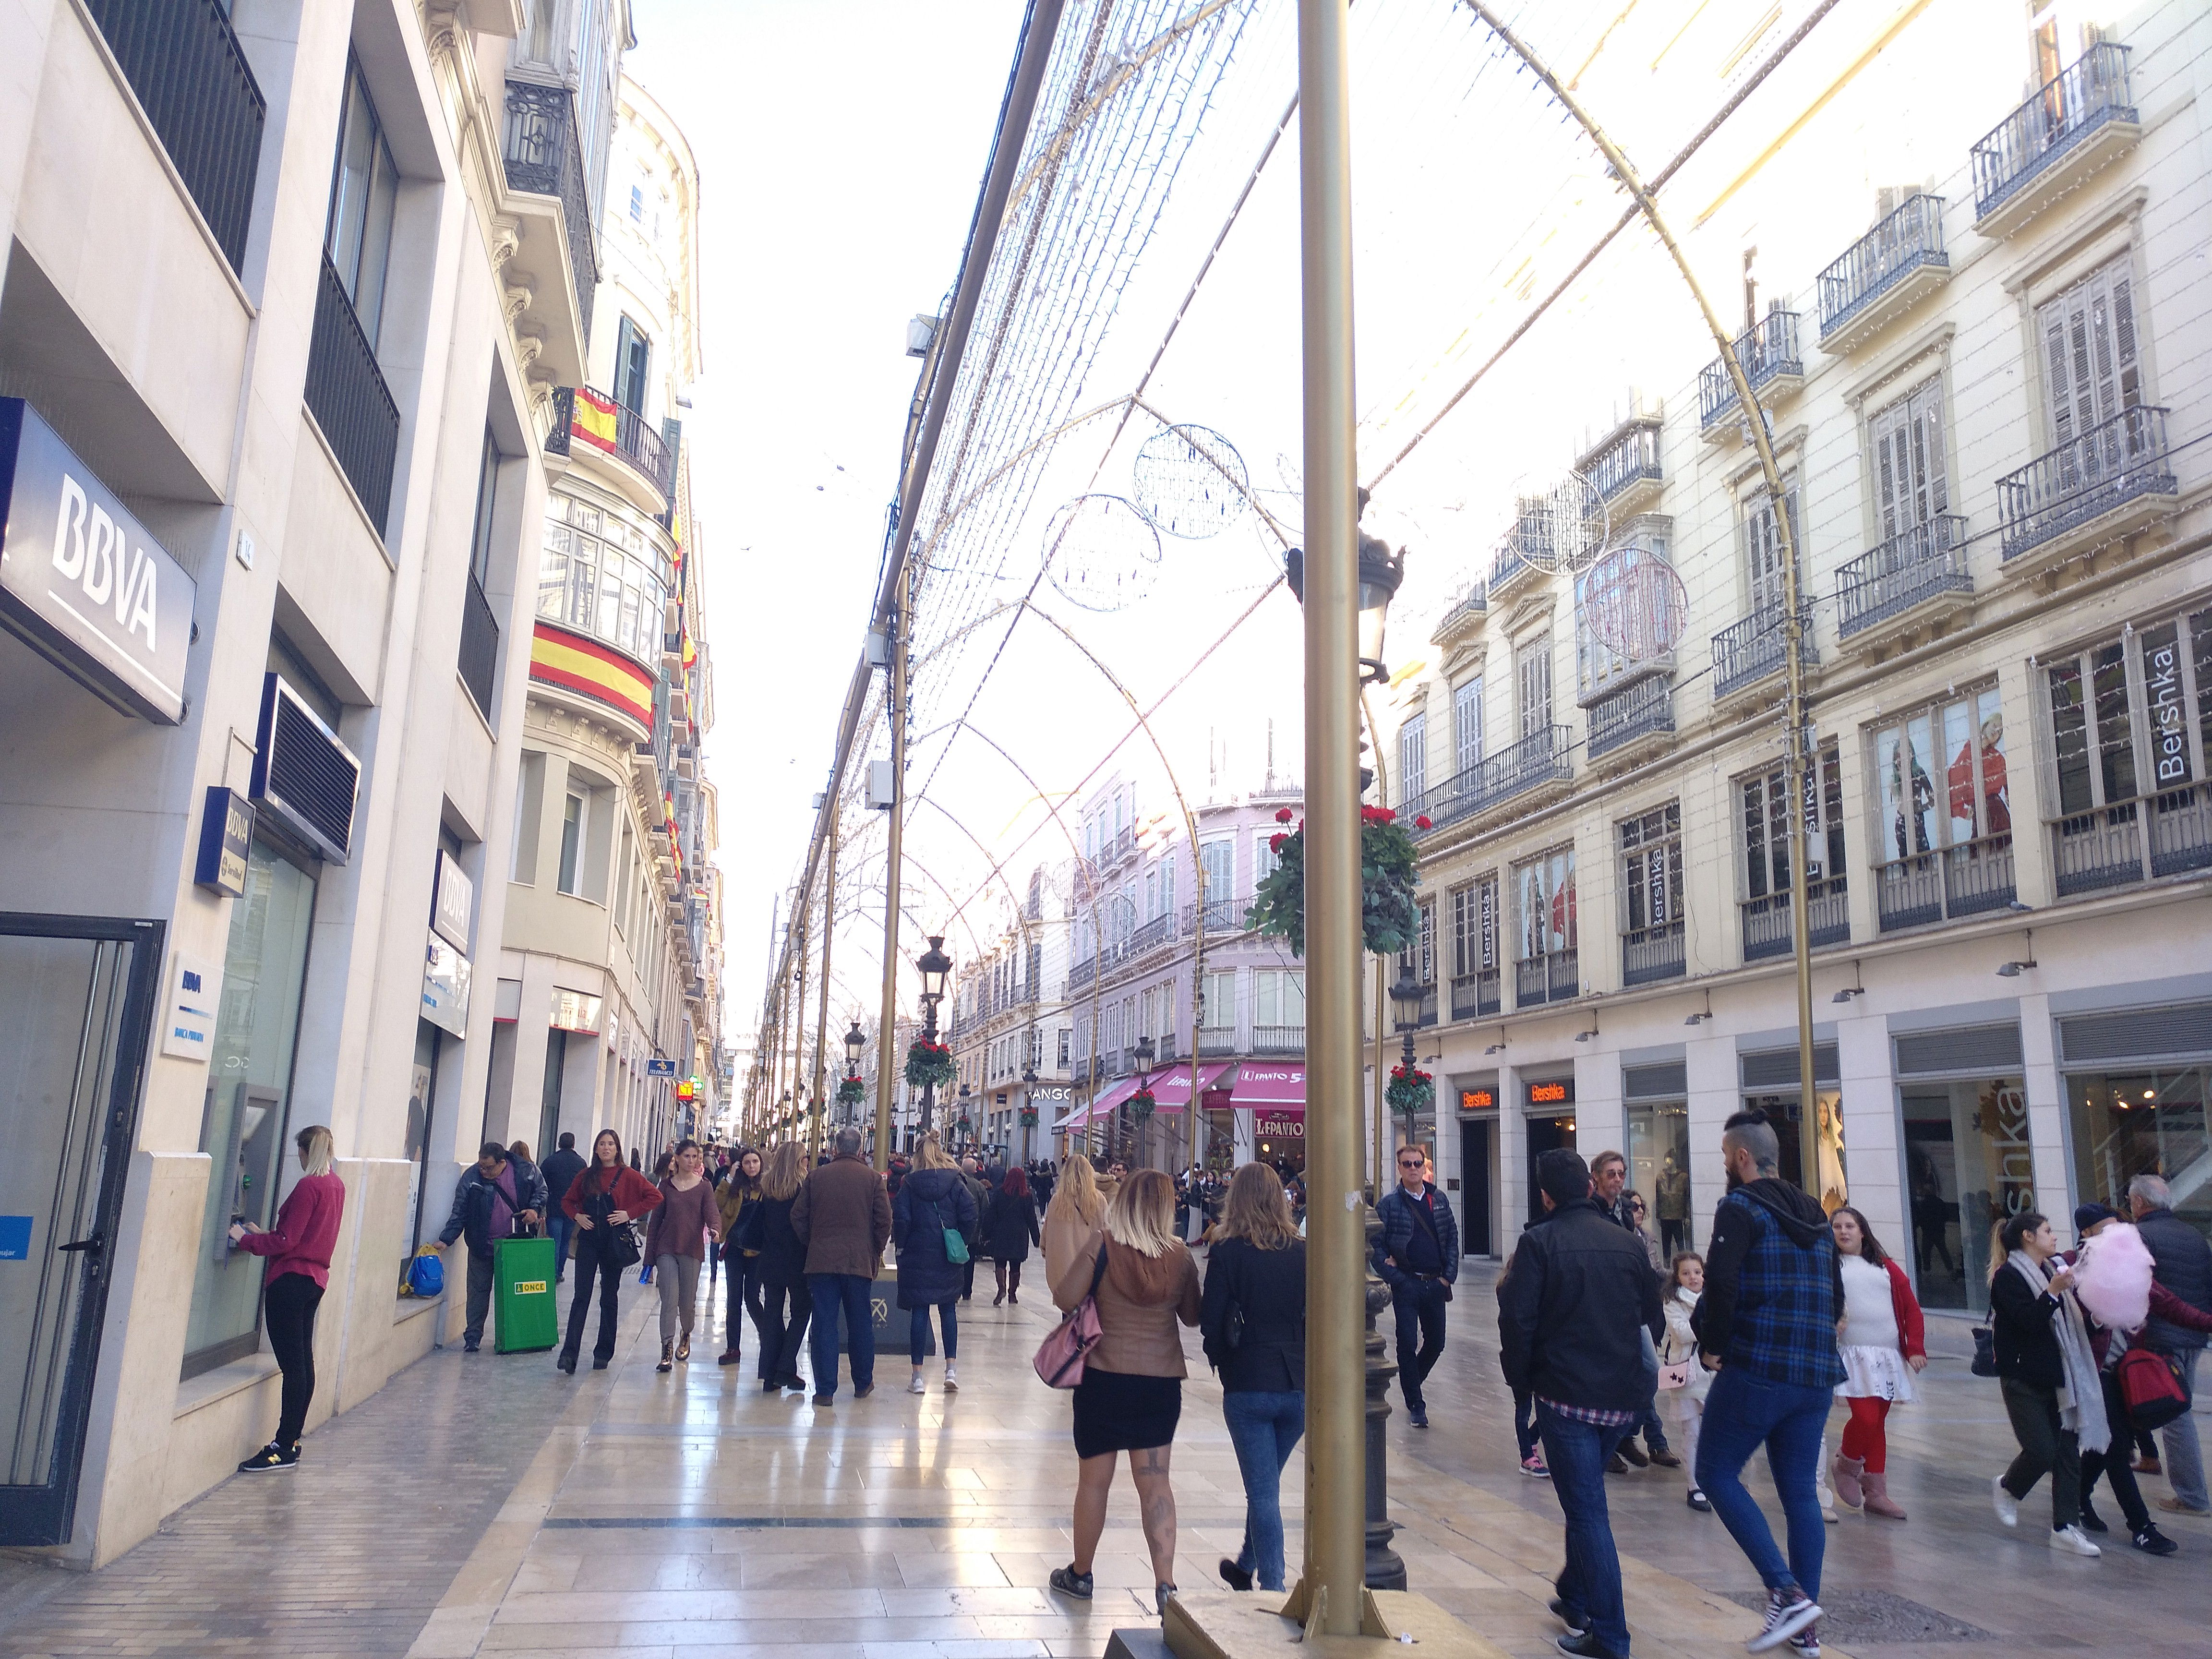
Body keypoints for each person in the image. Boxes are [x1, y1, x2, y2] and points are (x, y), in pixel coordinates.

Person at [1497, 1148, 1664, 1659]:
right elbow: (1651, 1321)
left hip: (1567, 1397)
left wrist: (1524, 1384)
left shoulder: (1539, 1243)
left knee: (1589, 1513)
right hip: (1622, 1397)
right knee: (1585, 1498)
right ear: (1590, 1189)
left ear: (1546, 1196)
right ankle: (1574, 1591)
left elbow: (1517, 1323)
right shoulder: (1628, 1244)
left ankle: (1610, 1635)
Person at [1693, 1112, 1841, 1654]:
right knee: (1800, 1491)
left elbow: (1723, 1281)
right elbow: (1837, 1295)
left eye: (1726, 1156)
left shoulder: (1740, 1207)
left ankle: (1787, 1591)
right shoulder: (1816, 1215)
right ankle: (1805, 1629)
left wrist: (1713, 1344)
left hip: (1759, 1365)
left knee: (1715, 1471)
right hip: (1816, 1371)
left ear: (1741, 1158)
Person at [1047, 1168, 1201, 1616]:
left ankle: (1081, 1573)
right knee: (1155, 1484)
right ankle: (1166, 1585)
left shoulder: (1104, 1245)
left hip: (1102, 1379)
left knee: (1094, 1482)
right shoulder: (1180, 1256)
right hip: (1159, 1385)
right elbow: (1192, 1317)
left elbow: (1064, 1297)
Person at [1201, 1164, 1306, 1594]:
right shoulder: (1303, 1251)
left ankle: (1274, 1587)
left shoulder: (1227, 1252)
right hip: (1297, 1386)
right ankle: (1246, 1563)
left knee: (1263, 1494)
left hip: (1248, 1385)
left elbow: (1211, 1321)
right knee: (1266, 1482)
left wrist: (1222, 1361)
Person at [2070, 1203, 2196, 1556]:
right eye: (2106, 1228)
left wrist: (2207, 1321)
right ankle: (2141, 1527)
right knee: (2117, 1447)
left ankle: (2078, 1496)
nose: (2117, 1234)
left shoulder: (2132, 1266)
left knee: (2111, 1445)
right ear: (2087, 1234)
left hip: (2128, 1373)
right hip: (2096, 1376)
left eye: (2118, 1226)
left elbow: (2170, 1304)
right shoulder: (2074, 1268)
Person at [1987, 1209, 2106, 1556]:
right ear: (2028, 1237)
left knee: (2069, 1453)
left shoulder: (2054, 1270)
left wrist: (2097, 1316)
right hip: (2023, 1377)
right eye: (2048, 1231)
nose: (2055, 1237)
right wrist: (2053, 1293)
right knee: (2041, 1450)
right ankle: (2009, 1487)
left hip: (2061, 1376)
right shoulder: (2008, 1277)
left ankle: (2065, 1528)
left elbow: (2071, 1323)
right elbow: (2028, 1321)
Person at [231, 1126, 345, 1472]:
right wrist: (268, 1235)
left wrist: (245, 1240)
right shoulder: (336, 1186)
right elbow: (304, 1236)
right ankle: (291, 1443)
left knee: (293, 1368)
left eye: (299, 1152)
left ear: (305, 1152)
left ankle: (281, 1447)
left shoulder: (309, 1186)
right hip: (315, 1282)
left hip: (289, 1282)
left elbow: (288, 1242)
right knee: (304, 1364)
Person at [1824, 1207, 1924, 1521]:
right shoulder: (1828, 1266)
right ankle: (1847, 1464)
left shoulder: (1885, 1267)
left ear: (1862, 1231)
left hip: (1887, 1356)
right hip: (1851, 1354)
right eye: (1837, 1227)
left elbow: (1911, 1307)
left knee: (1879, 1421)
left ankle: (1877, 1492)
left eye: (1850, 1226)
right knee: (1866, 1418)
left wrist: (1914, 1348)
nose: (1843, 1232)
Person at [2128, 1172, 2212, 1518]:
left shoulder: (2141, 1236)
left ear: (2139, 1203)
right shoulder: (2193, 1234)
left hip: (2162, 1337)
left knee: (2175, 1416)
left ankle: (2192, 1497)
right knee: (2180, 1410)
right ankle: (2156, 1464)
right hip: (2193, 1334)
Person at [792, 1126, 892, 1405]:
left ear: (835, 1149)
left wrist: (812, 1241)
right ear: (860, 1149)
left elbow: (798, 1216)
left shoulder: (817, 1177)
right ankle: (862, 1383)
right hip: (859, 1262)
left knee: (824, 1323)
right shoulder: (873, 1179)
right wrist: (875, 1249)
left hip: (822, 1261)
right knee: (860, 1321)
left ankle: (825, 1390)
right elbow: (885, 1221)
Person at [1590, 1152, 1677, 1473]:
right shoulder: (1592, 1212)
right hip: (1604, 1308)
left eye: (1621, 1174)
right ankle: (1611, 1442)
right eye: (1611, 1174)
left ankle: (1625, 1434)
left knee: (1651, 1373)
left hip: (1632, 1308)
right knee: (1613, 1378)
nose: (1616, 1179)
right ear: (1596, 1176)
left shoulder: (1625, 1213)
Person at [557, 1130, 663, 1372]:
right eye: (602, 1144)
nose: (606, 1148)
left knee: (609, 1296)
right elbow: (567, 1201)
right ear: (596, 1149)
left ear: (618, 1149)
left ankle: (603, 1352)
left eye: (611, 1144)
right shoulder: (585, 1175)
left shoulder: (629, 1175)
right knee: (581, 1296)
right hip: (589, 1240)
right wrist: (577, 1216)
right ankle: (569, 1354)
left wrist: (629, 1213)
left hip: (614, 1240)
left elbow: (655, 1196)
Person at [1373, 1141, 1459, 1430]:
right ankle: (1416, 1403)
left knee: (1436, 1342)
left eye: (1417, 1163)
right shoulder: (1389, 1205)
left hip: (1434, 1284)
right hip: (1407, 1286)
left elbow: (1451, 1239)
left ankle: (1413, 1383)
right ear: (1399, 1168)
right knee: (1407, 1342)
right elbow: (1376, 1245)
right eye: (1407, 1164)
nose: (1413, 1168)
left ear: (1425, 1167)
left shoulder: (1440, 1200)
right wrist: (1394, 1275)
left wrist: (1448, 1277)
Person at [433, 1141, 548, 1354]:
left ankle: (519, 1336)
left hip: (516, 1246)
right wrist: (446, 1239)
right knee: (477, 1293)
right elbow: (460, 1211)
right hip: (482, 1244)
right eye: (481, 1166)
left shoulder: (527, 1172)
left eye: (488, 1168)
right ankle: (473, 1337)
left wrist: (534, 1210)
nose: (483, 1171)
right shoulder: (471, 1178)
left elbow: (542, 1192)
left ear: (502, 1163)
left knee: (518, 1292)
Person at [894, 1136, 976, 1395]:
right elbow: (971, 1213)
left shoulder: (909, 1184)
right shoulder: (955, 1182)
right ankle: (951, 1369)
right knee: (948, 1310)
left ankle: (917, 1377)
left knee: (920, 1313)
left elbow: (903, 1220)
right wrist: (960, 1239)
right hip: (947, 1255)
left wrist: (902, 1246)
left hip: (918, 1255)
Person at [644, 1139, 719, 1373]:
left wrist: (715, 1229)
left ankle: (686, 1333)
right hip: (666, 1249)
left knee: (687, 1302)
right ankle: (666, 1347)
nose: (692, 1161)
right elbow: (655, 1223)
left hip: (692, 1249)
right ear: (676, 1158)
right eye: (687, 1156)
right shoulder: (666, 1186)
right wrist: (649, 1260)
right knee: (669, 1299)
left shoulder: (704, 1186)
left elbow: (712, 1213)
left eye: (695, 1157)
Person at [754, 1142, 813, 1393]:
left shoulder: (768, 1187)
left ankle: (769, 1374)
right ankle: (785, 1365)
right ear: (799, 1162)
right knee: (802, 1311)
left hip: (771, 1259)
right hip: (797, 1260)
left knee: (773, 1315)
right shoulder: (803, 1188)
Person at [1658, 1251, 1712, 1512]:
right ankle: (1695, 1486)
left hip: (1715, 1374)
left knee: (1715, 1431)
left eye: (1698, 1272)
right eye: (1686, 1273)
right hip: (1687, 1374)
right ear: (1677, 1278)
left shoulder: (1717, 1298)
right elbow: (1682, 1332)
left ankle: (1716, 1480)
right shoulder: (1673, 1301)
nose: (1693, 1278)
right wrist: (1713, 1325)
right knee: (1692, 1432)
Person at [716, 1147, 764, 1367]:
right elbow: (716, 1205)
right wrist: (729, 1179)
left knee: (752, 1298)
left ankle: (768, 1339)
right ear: (741, 1166)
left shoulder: (767, 1188)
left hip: (757, 1251)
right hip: (735, 1248)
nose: (752, 1166)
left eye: (755, 1162)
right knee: (733, 1299)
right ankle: (733, 1348)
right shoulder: (733, 1187)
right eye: (747, 1162)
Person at [1043, 1151, 1107, 1286]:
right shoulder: (1098, 1200)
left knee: (1067, 1304)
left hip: (1061, 1272)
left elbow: (1045, 1237)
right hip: (1089, 1268)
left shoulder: (1056, 1201)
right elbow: (1107, 1232)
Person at [988, 1164, 1041, 1305]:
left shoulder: (999, 1193)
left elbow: (991, 1215)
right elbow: (1032, 1219)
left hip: (1001, 1233)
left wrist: (986, 1234)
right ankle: (1013, 1294)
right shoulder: (1027, 1196)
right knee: (1016, 1265)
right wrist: (1037, 1239)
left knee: (1000, 1263)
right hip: (1019, 1235)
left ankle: (1001, 1290)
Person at [539, 1133, 586, 1286]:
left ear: (559, 1144)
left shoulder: (550, 1161)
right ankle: (559, 1272)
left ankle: (552, 1273)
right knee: (566, 1241)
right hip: (573, 1209)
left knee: (555, 1241)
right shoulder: (581, 1163)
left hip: (554, 1207)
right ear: (574, 1144)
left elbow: (542, 1184)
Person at [957, 1155, 992, 1302]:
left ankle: (955, 1290)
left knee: (955, 1261)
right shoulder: (979, 1187)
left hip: (956, 1232)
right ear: (975, 1171)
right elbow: (986, 1209)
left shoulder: (956, 1183)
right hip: (973, 1232)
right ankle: (967, 1292)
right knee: (970, 1262)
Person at [1656, 1155, 1691, 1259]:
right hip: (1665, 1215)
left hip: (1678, 1215)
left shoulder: (1683, 1177)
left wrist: (1687, 1216)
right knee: (1666, 1244)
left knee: (1680, 1243)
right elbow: (1658, 1196)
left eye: (1670, 1159)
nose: (1668, 1162)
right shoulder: (1660, 1177)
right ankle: (1666, 1266)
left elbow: (1687, 1197)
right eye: (1666, 1159)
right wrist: (1658, 1214)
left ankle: (1684, 1262)